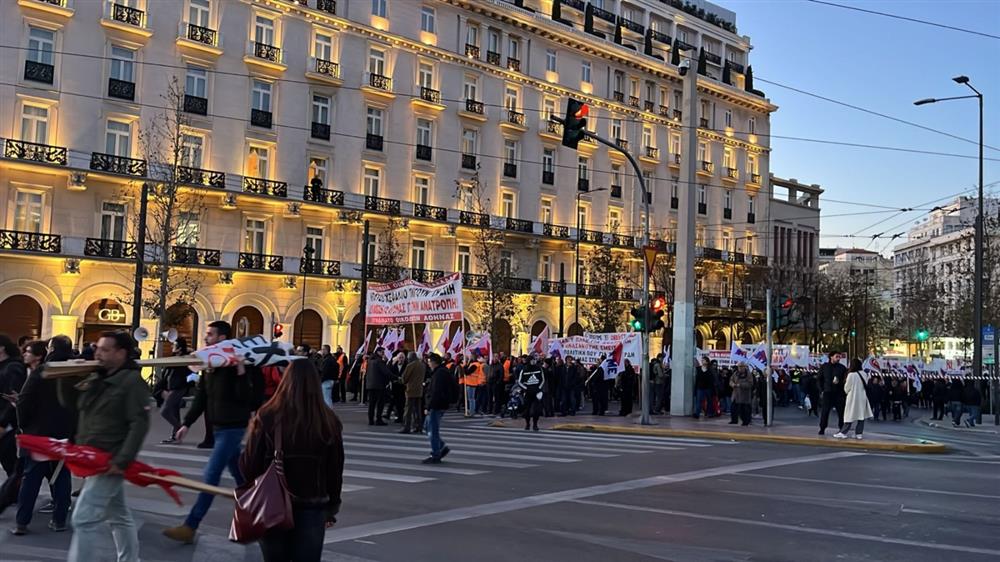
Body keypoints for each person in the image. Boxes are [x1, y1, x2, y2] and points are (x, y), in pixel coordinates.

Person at [58, 332, 150, 562]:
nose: (98, 353)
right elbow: (72, 403)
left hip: (110, 459)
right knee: (118, 515)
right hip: (92, 456)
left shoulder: (131, 382)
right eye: (97, 348)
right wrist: (69, 376)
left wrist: (122, 461)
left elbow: (139, 424)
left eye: (105, 350)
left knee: (83, 518)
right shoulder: (97, 377)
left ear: (121, 353)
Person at [240, 359, 344, 562]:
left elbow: (250, 465)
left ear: (286, 381)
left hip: (272, 505)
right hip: (312, 507)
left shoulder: (268, 416)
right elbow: (335, 470)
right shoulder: (328, 421)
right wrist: (331, 508)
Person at [164, 321, 255, 544]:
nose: (206, 338)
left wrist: (241, 370)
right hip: (219, 427)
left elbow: (246, 397)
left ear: (222, 338)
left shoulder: (237, 364)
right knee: (240, 476)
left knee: (210, 476)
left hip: (233, 427)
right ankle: (261, 508)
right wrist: (186, 423)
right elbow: (201, 397)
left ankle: (190, 525)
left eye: (210, 335)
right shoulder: (211, 365)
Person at [12, 337, 75, 535]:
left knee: (31, 478)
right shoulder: (77, 371)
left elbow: (24, 400)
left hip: (38, 433)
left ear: (51, 349)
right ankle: (59, 520)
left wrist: (24, 426)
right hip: (64, 433)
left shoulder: (44, 370)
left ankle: (22, 522)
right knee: (62, 476)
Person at [158, 338, 191, 444]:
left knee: (165, 411)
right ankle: (175, 436)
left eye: (174, 345)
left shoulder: (182, 359)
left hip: (178, 388)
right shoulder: (175, 358)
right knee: (174, 412)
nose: (172, 347)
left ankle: (180, 429)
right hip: (173, 387)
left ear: (179, 348)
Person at [422, 354, 453, 464]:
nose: (428, 364)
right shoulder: (440, 372)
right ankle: (442, 447)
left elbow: (436, 392)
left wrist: (428, 406)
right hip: (438, 404)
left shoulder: (439, 373)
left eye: (429, 361)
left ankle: (436, 454)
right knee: (426, 427)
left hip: (436, 405)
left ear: (434, 362)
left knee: (432, 431)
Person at [835, 358, 872, 440]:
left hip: (853, 397)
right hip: (862, 397)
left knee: (849, 415)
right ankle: (859, 433)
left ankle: (843, 432)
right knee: (861, 416)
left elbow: (846, 388)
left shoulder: (851, 375)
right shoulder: (864, 374)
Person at [817, 351, 847, 435]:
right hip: (827, 392)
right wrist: (821, 390)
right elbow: (819, 379)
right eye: (836, 356)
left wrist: (840, 383)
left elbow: (845, 380)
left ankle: (842, 428)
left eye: (839, 357)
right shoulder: (824, 367)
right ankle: (822, 428)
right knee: (825, 411)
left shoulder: (842, 368)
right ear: (831, 357)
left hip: (839, 393)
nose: (838, 358)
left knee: (841, 412)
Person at [364, 348, 392, 426]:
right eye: (382, 352)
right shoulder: (379, 361)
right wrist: (395, 378)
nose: (383, 353)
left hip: (370, 385)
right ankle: (378, 419)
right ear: (378, 352)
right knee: (380, 403)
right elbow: (386, 372)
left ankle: (371, 420)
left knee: (372, 404)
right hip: (379, 385)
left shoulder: (370, 360)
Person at [400, 352, 426, 434]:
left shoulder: (410, 366)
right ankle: (419, 427)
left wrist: (400, 380)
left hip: (411, 390)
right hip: (419, 390)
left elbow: (404, 378)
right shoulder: (422, 365)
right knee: (417, 410)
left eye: (408, 358)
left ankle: (406, 427)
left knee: (408, 410)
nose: (408, 359)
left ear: (411, 358)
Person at [517, 356, 545, 431]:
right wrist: (526, 389)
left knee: (537, 410)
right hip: (528, 393)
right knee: (526, 409)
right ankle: (527, 423)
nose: (533, 361)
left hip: (536, 392)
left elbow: (542, 380)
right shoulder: (524, 370)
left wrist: (539, 388)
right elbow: (519, 381)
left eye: (534, 360)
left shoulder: (539, 369)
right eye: (532, 360)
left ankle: (535, 424)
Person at [320, 344, 339, 409]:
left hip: (326, 381)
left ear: (326, 350)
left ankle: (329, 413)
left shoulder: (327, 360)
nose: (321, 351)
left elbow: (325, 372)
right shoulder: (332, 359)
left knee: (326, 398)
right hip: (330, 380)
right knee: (327, 398)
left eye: (323, 349)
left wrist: (320, 380)